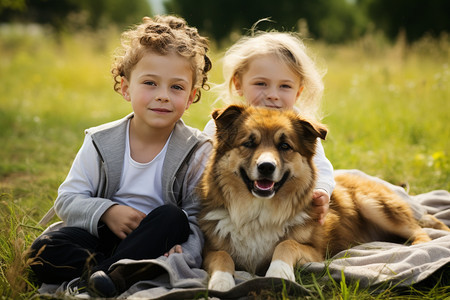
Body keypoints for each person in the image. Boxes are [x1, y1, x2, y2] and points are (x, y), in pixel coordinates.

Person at [28, 15, 212, 297]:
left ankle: (97, 278)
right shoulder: (100, 141)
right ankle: (114, 274)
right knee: (44, 251)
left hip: (157, 241)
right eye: (150, 83)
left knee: (173, 217)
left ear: (190, 97)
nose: (163, 95)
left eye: (176, 87)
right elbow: (67, 199)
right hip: (100, 236)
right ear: (126, 88)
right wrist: (108, 212)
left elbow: (197, 217)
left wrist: (184, 252)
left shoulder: (197, 149)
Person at [204, 28, 334, 223]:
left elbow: (322, 166)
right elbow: (202, 164)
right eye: (261, 84)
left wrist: (322, 189)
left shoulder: (298, 126)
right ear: (238, 83)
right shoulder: (227, 123)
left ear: (298, 92)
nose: (273, 94)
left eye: (285, 86)